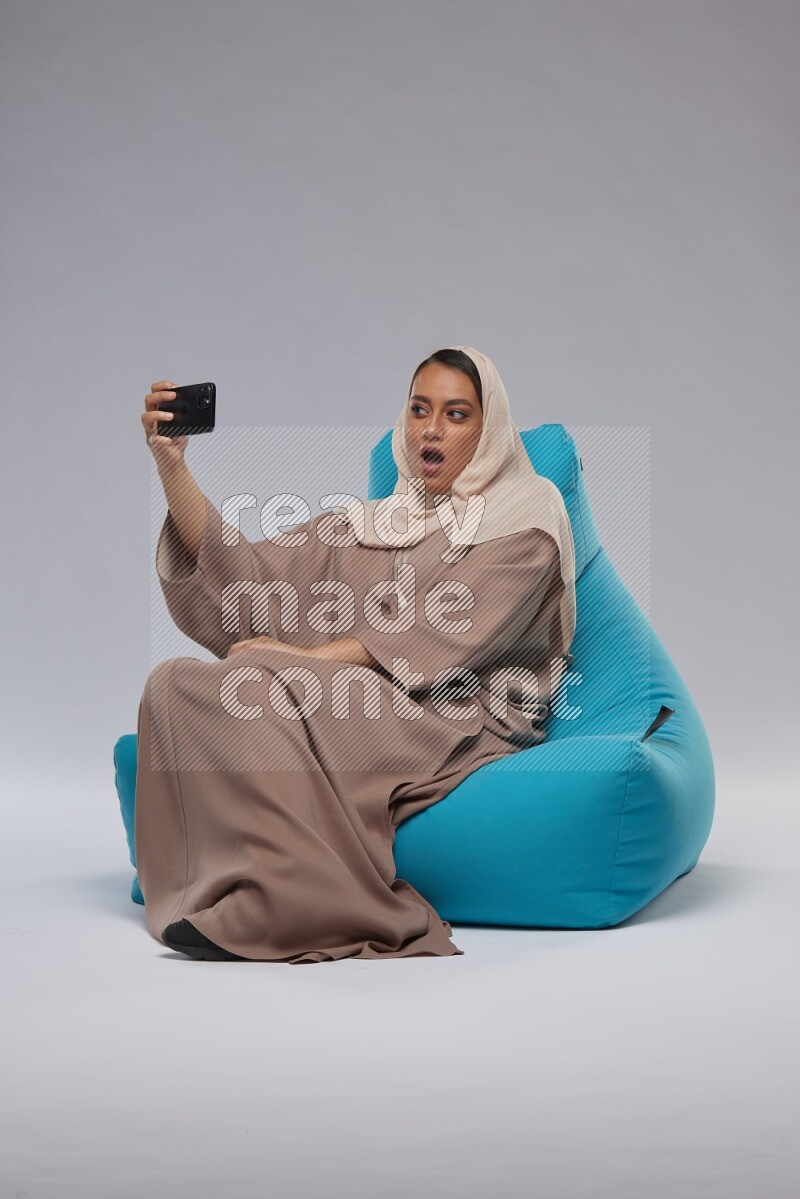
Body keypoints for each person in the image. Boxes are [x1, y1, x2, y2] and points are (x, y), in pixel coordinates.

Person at [135, 345, 576, 963]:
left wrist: (297, 659)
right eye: (420, 409)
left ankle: (304, 904)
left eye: (456, 414)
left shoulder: (526, 514)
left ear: (490, 427)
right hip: (357, 694)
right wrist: (172, 467)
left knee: (260, 682)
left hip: (454, 710)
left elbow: (448, 635)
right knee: (174, 684)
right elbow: (249, 575)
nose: (431, 428)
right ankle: (230, 884)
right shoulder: (374, 521)